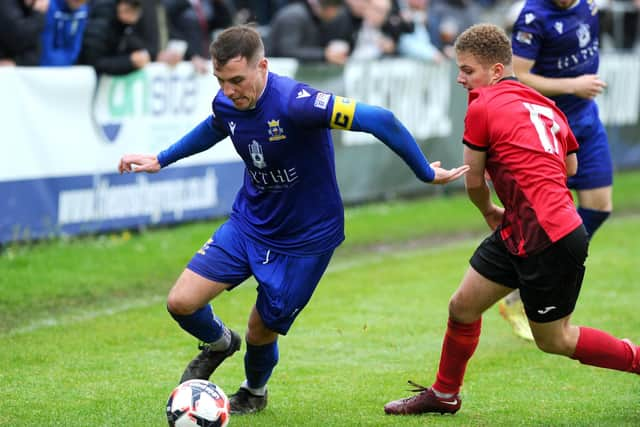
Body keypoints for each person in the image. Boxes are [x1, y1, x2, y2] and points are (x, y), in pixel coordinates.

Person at [118, 25, 468, 415]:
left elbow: (381, 119)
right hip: (249, 223)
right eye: (220, 81)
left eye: (237, 80)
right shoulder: (227, 101)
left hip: (305, 240)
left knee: (260, 330)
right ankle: (219, 343)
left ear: (262, 66)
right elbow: (217, 126)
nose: (229, 90)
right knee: (181, 302)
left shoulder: (298, 103)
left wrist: (423, 172)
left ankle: (253, 391)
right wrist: (161, 158)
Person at [383, 23, 640, 417]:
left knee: (555, 340)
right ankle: (445, 394)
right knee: (462, 306)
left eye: (468, 70)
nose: (460, 78)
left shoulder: (481, 105)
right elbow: (570, 165)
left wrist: (489, 210)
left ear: (497, 71)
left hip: (549, 233)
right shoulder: (545, 104)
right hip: (527, 224)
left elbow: (473, 181)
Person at [498, 0, 614, 341]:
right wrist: (572, 85)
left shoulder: (590, 5)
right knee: (540, 219)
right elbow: (519, 76)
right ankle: (515, 286)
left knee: (598, 208)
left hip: (587, 121)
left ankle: (541, 273)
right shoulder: (534, 17)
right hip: (549, 129)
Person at [267, 0, 349, 65]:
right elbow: (286, 51)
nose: (335, 15)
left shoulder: (320, 18)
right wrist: (325, 55)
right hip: (279, 72)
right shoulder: (293, 16)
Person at [80, 0, 150, 75]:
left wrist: (135, 59)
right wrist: (129, 61)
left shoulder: (125, 26)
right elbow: (94, 62)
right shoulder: (101, 23)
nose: (135, 13)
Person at [0, 0, 50, 66]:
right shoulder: (5, 4)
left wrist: (18, 62)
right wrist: (38, 14)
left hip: (28, 66)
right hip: (9, 68)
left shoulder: (39, 5)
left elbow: (35, 47)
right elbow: (18, 37)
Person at [40, 0, 89, 66]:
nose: (78, 3)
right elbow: (45, 42)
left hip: (67, 63)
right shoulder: (51, 6)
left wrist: (68, 61)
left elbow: (76, 44)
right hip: (46, 62)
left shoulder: (82, 10)